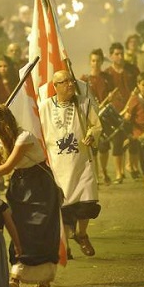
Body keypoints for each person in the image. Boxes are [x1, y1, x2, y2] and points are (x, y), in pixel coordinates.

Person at [0, 104, 61, 287]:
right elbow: (5, 166)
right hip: (19, 185)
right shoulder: (4, 141)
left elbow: (8, 167)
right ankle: (16, 277)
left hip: (39, 185)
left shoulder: (24, 137)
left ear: (0, 123)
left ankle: (44, 279)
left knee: (40, 230)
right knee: (18, 229)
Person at [39, 70, 102, 258]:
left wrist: (92, 135)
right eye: (64, 82)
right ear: (55, 86)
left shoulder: (84, 103)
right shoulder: (44, 107)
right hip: (58, 166)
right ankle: (65, 245)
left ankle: (82, 235)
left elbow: (96, 125)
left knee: (87, 201)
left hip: (82, 162)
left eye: (71, 80)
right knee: (64, 206)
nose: (70, 84)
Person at [104, 42, 140, 183]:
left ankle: (133, 167)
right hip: (116, 112)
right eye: (117, 54)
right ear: (111, 56)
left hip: (132, 110)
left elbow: (140, 85)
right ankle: (119, 173)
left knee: (134, 139)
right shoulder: (107, 73)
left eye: (121, 54)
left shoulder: (132, 69)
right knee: (118, 142)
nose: (120, 57)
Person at [81, 48, 115, 184]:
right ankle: (95, 175)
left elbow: (113, 94)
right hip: (91, 117)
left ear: (102, 62)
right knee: (93, 147)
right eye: (93, 60)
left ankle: (104, 170)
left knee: (104, 146)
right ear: (90, 62)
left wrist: (111, 97)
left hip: (104, 115)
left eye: (98, 60)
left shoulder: (107, 78)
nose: (95, 63)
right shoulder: (84, 79)